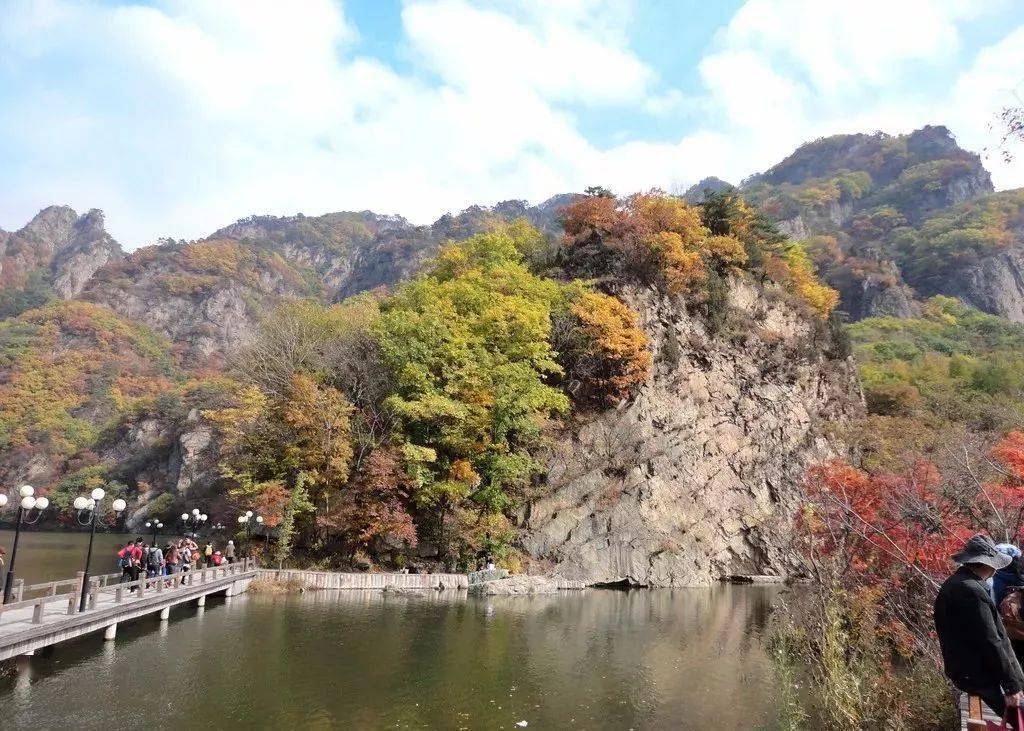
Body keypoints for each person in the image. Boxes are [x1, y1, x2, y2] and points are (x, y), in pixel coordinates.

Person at [935, 534, 1024, 723]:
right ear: (986, 564)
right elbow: (991, 640)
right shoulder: (971, 592)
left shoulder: (956, 584)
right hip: (978, 676)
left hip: (968, 672)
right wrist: (1012, 686)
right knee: (1021, 715)